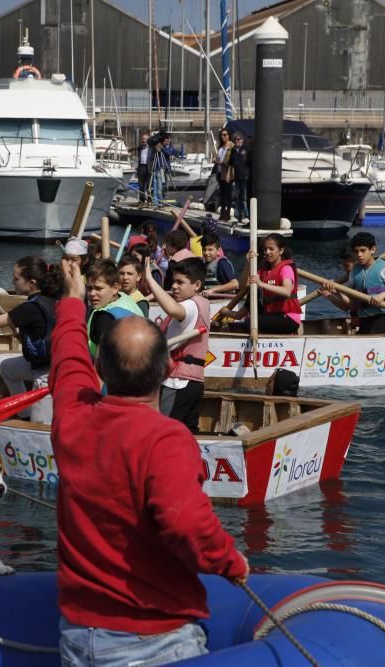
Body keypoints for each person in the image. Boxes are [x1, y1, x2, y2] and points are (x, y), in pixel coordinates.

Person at [51, 259, 249, 667]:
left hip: (76, 634)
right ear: (165, 368)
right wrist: (231, 562)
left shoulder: (72, 416)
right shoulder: (167, 439)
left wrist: (71, 303)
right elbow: (187, 525)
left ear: (101, 368)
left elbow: (69, 358)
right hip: (154, 638)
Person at [0, 258, 62, 423]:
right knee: (8, 368)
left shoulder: (29, 308)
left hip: (46, 374)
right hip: (52, 363)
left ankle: (32, 420)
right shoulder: (52, 299)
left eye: (16, 278)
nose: (13, 282)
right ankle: (24, 412)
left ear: (31, 283)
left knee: (40, 427)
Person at [145, 257, 210, 433]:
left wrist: (150, 280)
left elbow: (173, 310)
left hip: (178, 381)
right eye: (173, 281)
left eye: (180, 282)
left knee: (162, 431)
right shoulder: (202, 303)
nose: (174, 286)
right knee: (188, 433)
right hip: (194, 381)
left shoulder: (189, 306)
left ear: (196, 285)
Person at [323, 232, 385, 335]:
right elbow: (352, 304)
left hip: (383, 317)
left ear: (372, 250)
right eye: (356, 251)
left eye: (363, 250)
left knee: (371, 336)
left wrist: (383, 295)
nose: (359, 255)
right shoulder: (354, 272)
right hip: (364, 319)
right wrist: (336, 292)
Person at [218, 233, 302, 335]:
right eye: (265, 249)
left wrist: (261, 284)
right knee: (251, 314)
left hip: (288, 318)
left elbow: (287, 291)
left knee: (251, 322)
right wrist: (248, 263)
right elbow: (243, 285)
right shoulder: (264, 270)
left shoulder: (286, 269)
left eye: (271, 249)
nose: (267, 252)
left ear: (281, 250)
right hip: (272, 316)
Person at [85, 259, 145, 357]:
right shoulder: (124, 298)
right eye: (89, 288)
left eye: (98, 288)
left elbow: (103, 363)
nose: (92, 294)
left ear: (115, 288)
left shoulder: (104, 318)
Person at [198, 232, 239, 298]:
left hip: (221, 303)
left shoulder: (222, 264)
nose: (206, 253)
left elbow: (235, 284)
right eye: (204, 249)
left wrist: (212, 290)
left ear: (218, 251)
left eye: (210, 250)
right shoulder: (203, 263)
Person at [229, 132, 250, 221]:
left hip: (245, 177)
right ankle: (238, 216)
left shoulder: (246, 149)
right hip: (237, 177)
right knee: (237, 197)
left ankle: (247, 215)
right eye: (235, 139)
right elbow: (230, 163)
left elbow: (249, 162)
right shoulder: (233, 150)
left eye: (239, 139)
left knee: (244, 198)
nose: (237, 141)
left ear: (242, 140)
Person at [215, 129, 234, 221]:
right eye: (221, 135)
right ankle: (222, 213)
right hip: (220, 173)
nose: (223, 137)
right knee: (222, 194)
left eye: (225, 135)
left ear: (228, 135)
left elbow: (232, 161)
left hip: (228, 174)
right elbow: (219, 158)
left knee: (228, 194)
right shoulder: (221, 147)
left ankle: (227, 213)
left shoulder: (231, 146)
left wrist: (222, 163)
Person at [136, 133, 151, 203]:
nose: (143, 140)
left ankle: (149, 199)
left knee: (148, 185)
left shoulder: (151, 148)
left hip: (148, 167)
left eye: (145, 139)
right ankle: (141, 200)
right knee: (141, 184)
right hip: (141, 167)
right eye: (143, 139)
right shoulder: (140, 148)